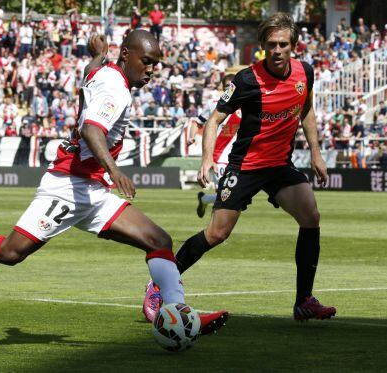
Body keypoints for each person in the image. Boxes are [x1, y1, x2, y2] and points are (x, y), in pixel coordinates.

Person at [0, 30, 227, 336]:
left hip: (91, 190)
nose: (151, 69)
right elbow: (91, 130)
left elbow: (88, 73)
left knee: (158, 239)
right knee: (10, 253)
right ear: (126, 55)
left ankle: (178, 313)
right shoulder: (115, 89)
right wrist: (114, 169)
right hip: (67, 186)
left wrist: (98, 53)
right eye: (147, 61)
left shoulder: (105, 72)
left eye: (156, 64)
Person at [143, 13, 337, 322]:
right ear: (262, 45)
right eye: (271, 44)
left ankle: (304, 301)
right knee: (217, 233)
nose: (277, 50)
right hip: (245, 167)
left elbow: (307, 110)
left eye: (283, 44)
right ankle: (158, 284)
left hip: (279, 166)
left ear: (293, 46)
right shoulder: (247, 80)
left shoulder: (305, 73)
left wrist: (316, 153)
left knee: (311, 215)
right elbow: (214, 121)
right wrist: (207, 158)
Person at [187, 74, 241, 218]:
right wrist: (191, 137)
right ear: (222, 87)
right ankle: (214, 234)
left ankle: (205, 199)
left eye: (232, 86)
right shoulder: (214, 104)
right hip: (218, 155)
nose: (230, 89)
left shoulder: (244, 105)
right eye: (227, 86)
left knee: (232, 195)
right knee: (225, 195)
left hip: (236, 156)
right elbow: (197, 121)